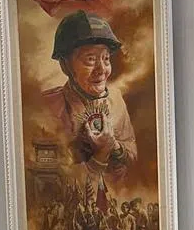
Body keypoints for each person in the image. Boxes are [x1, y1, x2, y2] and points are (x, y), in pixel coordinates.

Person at [40, 10, 137, 184]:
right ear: (65, 65)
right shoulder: (48, 108)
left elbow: (132, 155)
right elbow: (57, 179)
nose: (101, 69)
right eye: (90, 59)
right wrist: (101, 154)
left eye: (106, 59)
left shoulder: (116, 99)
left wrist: (114, 145)